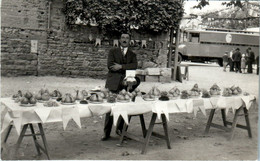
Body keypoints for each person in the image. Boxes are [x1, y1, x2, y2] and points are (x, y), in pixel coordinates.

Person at [102, 33, 140, 141]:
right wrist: (125, 68)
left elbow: (134, 66)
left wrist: (120, 66)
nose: (124, 40)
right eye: (123, 37)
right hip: (113, 82)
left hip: (127, 83)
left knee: (126, 108)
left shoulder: (132, 54)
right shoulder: (112, 51)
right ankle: (106, 133)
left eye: (127, 38)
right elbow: (110, 66)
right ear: (119, 40)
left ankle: (121, 131)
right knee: (111, 108)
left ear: (130, 41)